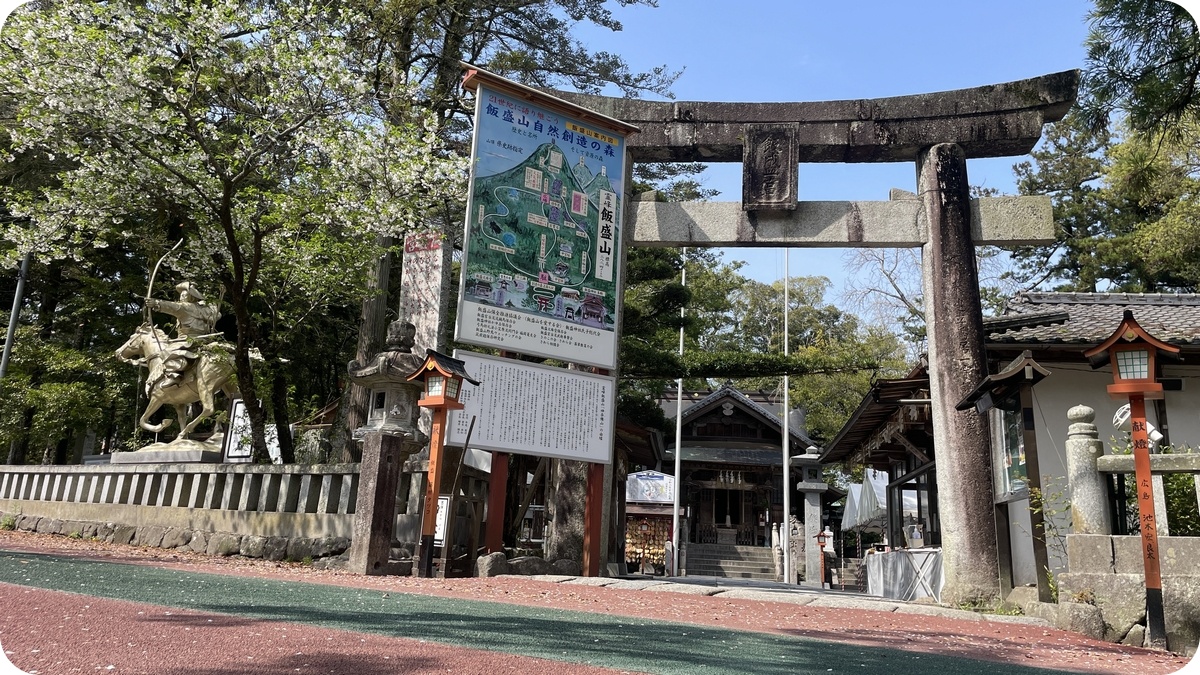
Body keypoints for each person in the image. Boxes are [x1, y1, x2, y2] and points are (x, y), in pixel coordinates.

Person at [146, 282, 222, 387]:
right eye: (181, 295)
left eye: (184, 295)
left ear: (191, 297)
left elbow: (172, 306)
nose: (181, 297)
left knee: (166, 352)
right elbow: (217, 315)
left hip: (188, 339)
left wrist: (156, 303)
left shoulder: (185, 307)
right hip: (204, 339)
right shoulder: (204, 309)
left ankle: (174, 376)